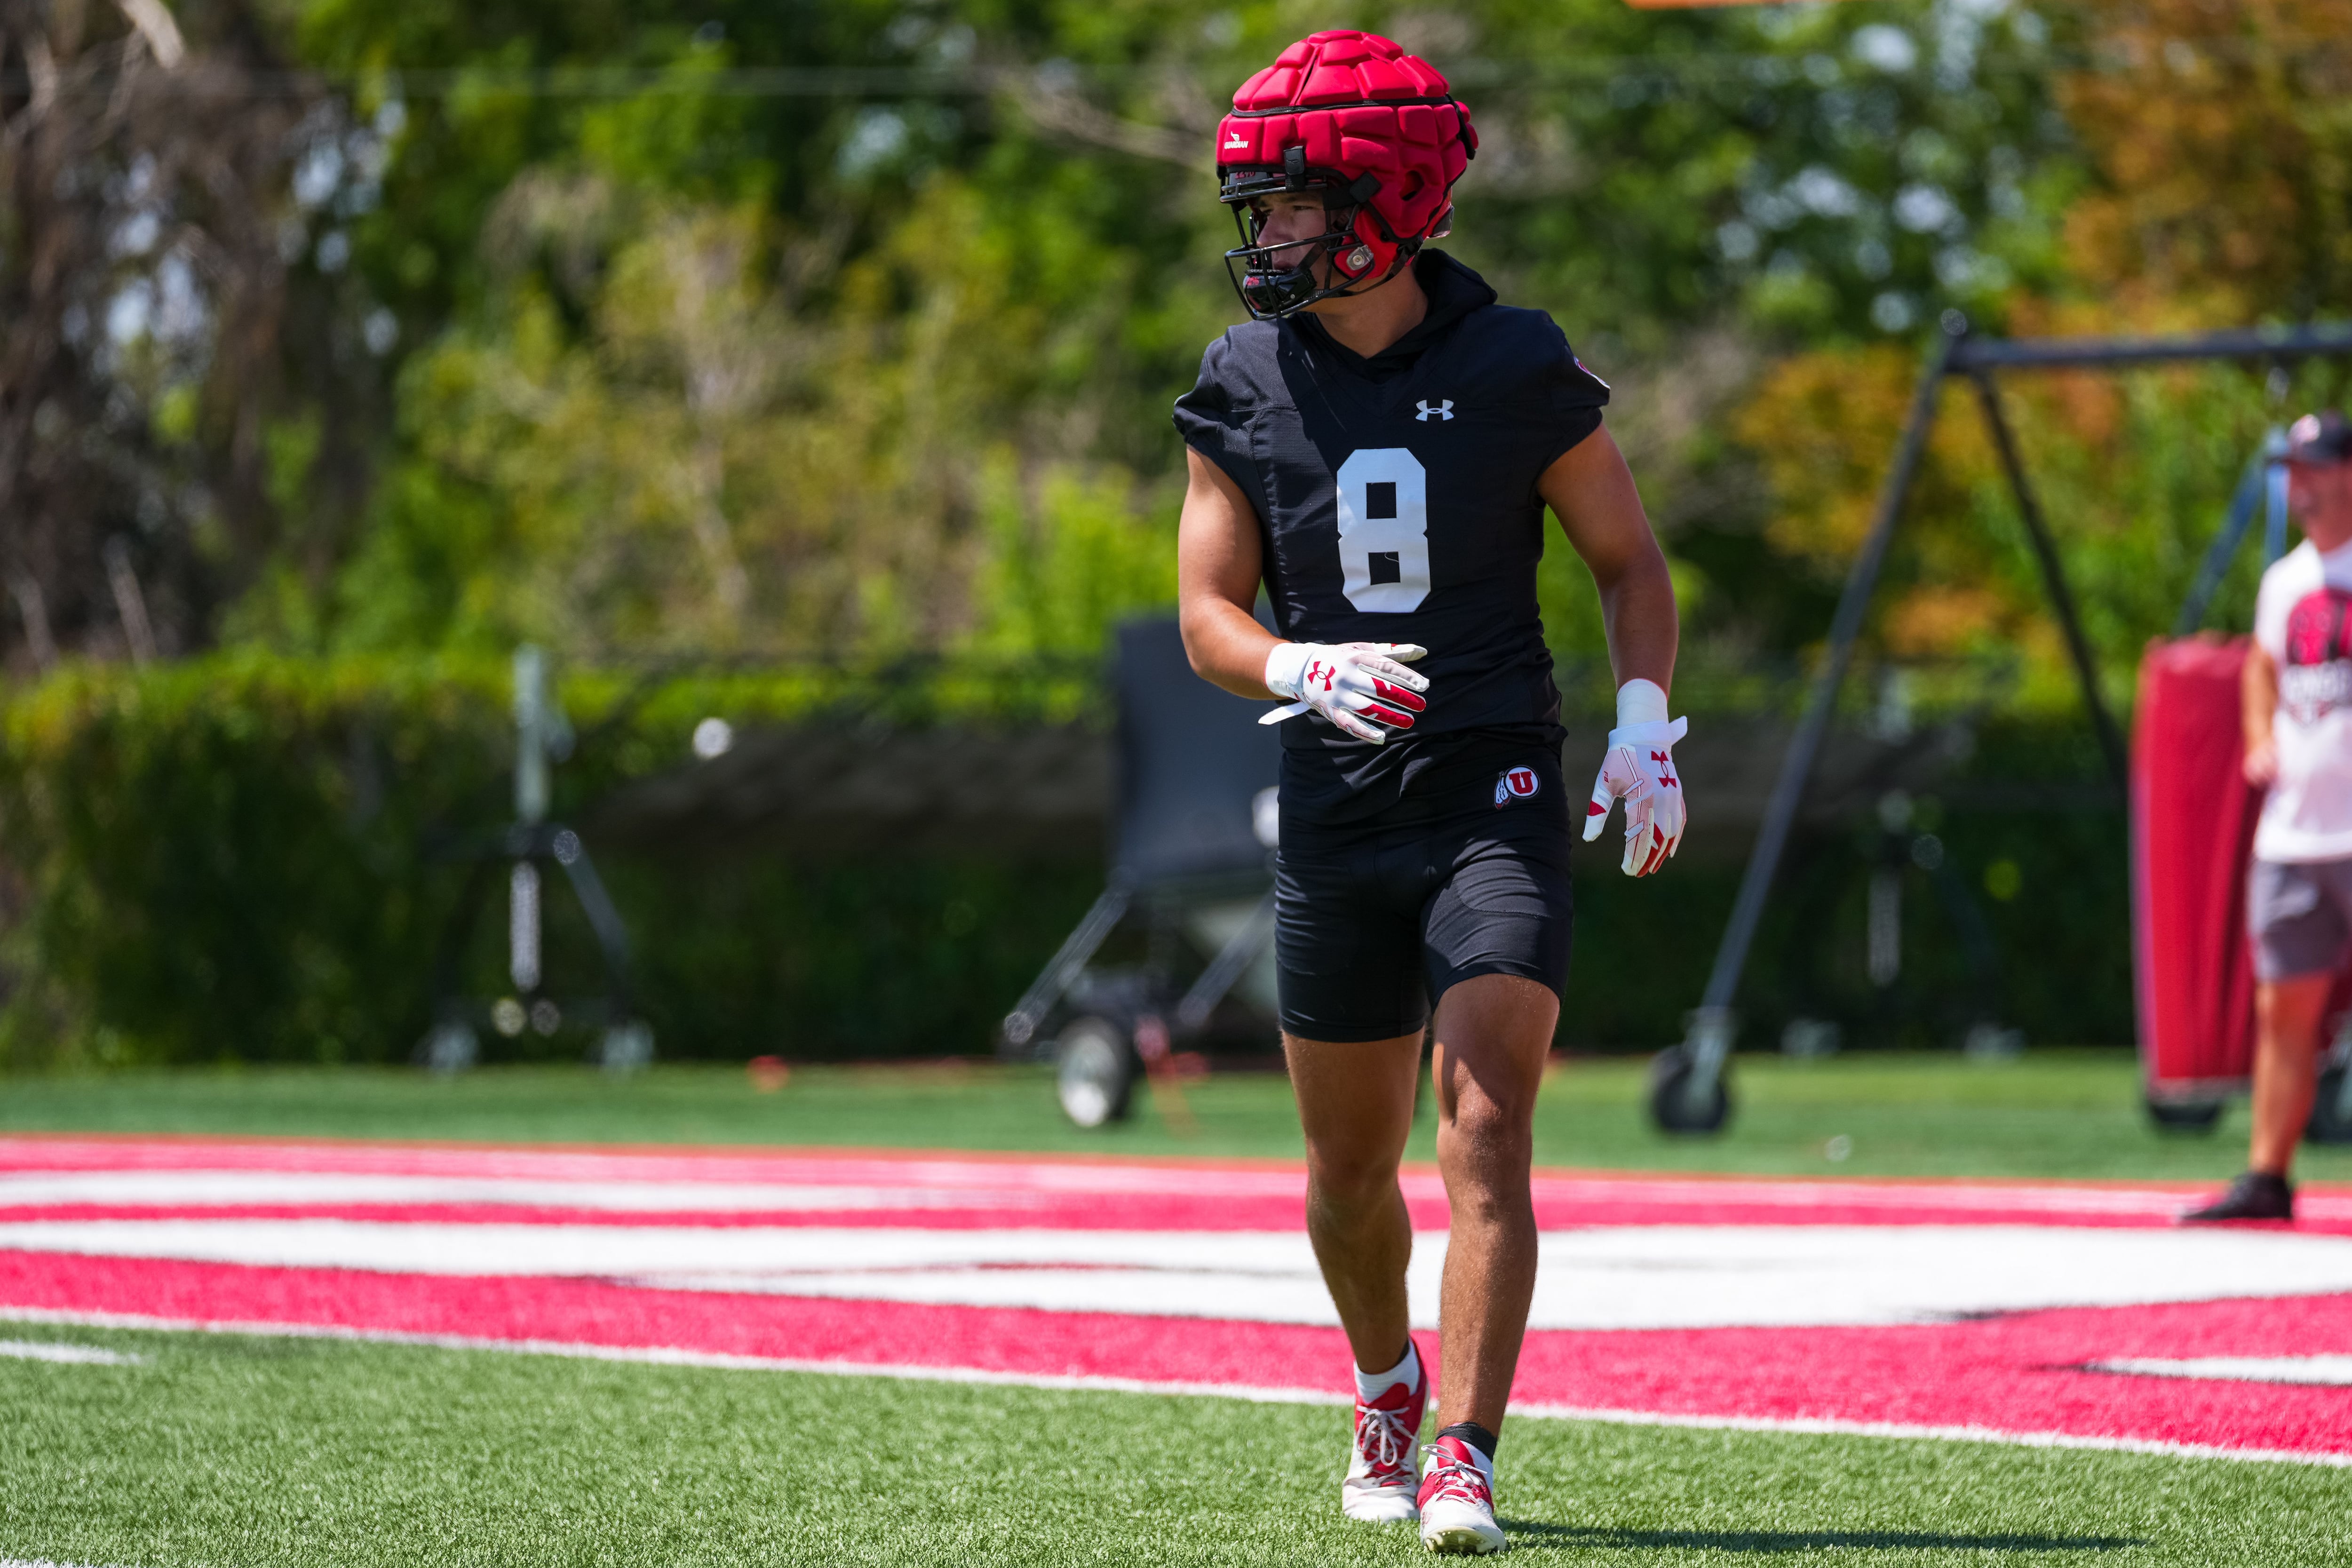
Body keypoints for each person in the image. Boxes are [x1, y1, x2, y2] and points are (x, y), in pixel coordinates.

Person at [1172, 31, 1685, 1553]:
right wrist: (1296, 670)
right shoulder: (1244, 377)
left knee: (1484, 1123)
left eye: (1285, 207)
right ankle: (1385, 1381)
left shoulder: (1516, 360)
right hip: (1335, 798)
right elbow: (1208, 612)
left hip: (1491, 784)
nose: (1260, 239)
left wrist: (1645, 720)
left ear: (1381, 202)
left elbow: (1627, 561)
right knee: (1344, 1170)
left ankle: (1462, 1448)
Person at [2186, 410, 2352, 1223]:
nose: (2301, 482)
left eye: (2316, 466)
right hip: (2295, 829)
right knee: (2282, 1005)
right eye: (2293, 468)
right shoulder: (2285, 579)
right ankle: (2267, 1175)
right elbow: (2261, 663)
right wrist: (2257, 734)